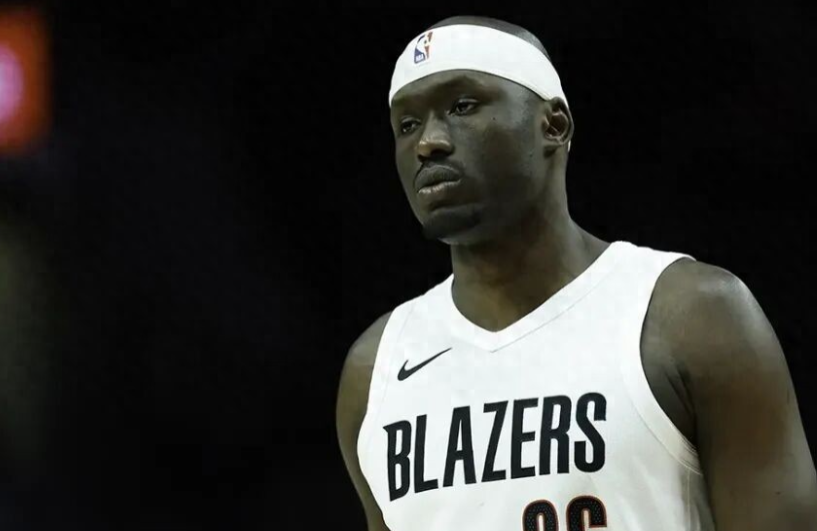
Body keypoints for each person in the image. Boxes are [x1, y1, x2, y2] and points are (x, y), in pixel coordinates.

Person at [336, 15, 817, 530]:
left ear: (554, 125)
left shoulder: (689, 316)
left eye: (463, 106)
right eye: (407, 125)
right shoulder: (375, 369)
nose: (428, 142)